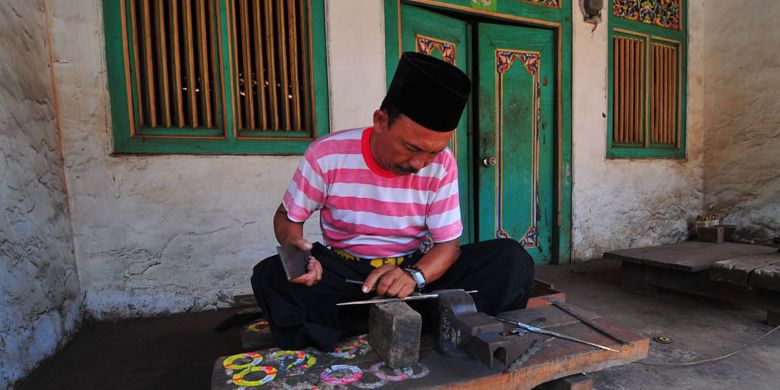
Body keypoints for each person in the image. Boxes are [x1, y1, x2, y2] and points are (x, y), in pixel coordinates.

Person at [251, 52, 534, 351]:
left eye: (433, 152)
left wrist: (414, 276)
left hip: (414, 275)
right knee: (270, 275)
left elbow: (447, 245)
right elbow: (287, 216)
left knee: (511, 260)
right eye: (411, 148)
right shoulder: (327, 154)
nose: (419, 163)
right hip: (346, 276)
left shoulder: (443, 165)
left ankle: (364, 324)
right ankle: (399, 323)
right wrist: (298, 256)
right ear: (381, 121)